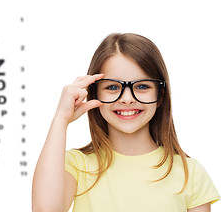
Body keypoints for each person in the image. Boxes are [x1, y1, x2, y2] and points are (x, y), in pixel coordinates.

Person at [32, 33, 221, 212]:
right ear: (94, 93)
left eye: (142, 86)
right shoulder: (76, 164)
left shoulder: (190, 172)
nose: (127, 99)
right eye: (113, 87)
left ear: (160, 96)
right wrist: (60, 120)